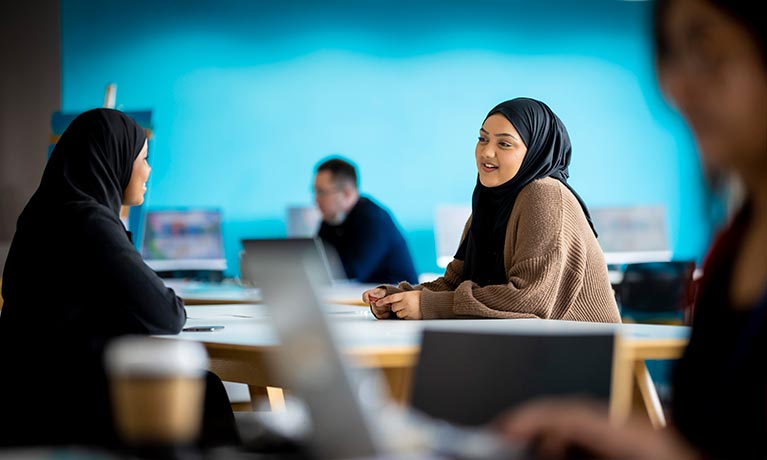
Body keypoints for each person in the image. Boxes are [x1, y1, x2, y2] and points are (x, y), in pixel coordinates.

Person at [497, 1, 767, 459]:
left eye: (709, 50)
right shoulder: (734, 243)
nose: (679, 87)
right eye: (670, 55)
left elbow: (527, 298)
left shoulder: (543, 194)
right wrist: (622, 438)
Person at [0, 109, 239, 450]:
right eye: (142, 158)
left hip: (25, 394)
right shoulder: (89, 220)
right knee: (203, 389)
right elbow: (167, 315)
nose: (148, 170)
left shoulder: (42, 212)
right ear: (114, 160)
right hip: (68, 402)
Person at [363, 98, 621, 322]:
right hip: (523, 350)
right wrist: (399, 299)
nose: (486, 152)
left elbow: (529, 300)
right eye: (482, 139)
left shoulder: (545, 194)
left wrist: (427, 306)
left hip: (583, 356)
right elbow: (455, 283)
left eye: (504, 144)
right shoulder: (490, 202)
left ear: (535, 152)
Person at [314, 156, 419, 285]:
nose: (316, 200)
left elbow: (351, 273)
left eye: (322, 192)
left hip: (395, 297)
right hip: (359, 296)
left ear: (347, 193)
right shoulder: (331, 220)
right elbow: (316, 263)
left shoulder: (374, 219)